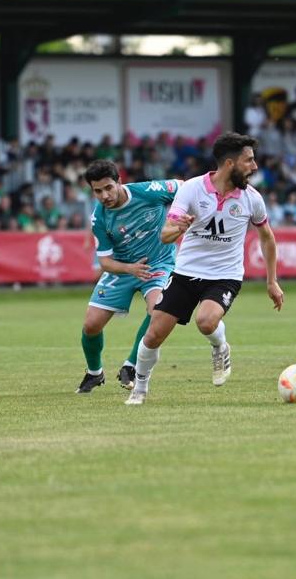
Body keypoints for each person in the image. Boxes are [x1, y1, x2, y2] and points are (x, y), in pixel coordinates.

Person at [127, 132, 284, 406]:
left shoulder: (252, 198)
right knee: (153, 335)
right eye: (249, 161)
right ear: (229, 164)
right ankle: (139, 388)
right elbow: (165, 234)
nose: (255, 166)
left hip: (225, 275)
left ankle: (220, 347)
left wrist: (272, 281)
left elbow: (267, 238)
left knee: (206, 320)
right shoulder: (191, 189)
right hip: (186, 272)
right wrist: (178, 226)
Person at [75, 161, 182, 394]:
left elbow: (184, 187)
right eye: (98, 191)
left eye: (108, 188)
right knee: (91, 325)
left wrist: (176, 218)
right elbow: (105, 262)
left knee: (158, 310)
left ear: (119, 182)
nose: (104, 195)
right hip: (123, 268)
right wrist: (129, 269)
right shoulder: (99, 218)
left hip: (158, 264)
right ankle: (95, 373)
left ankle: (131, 366)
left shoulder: (150, 191)